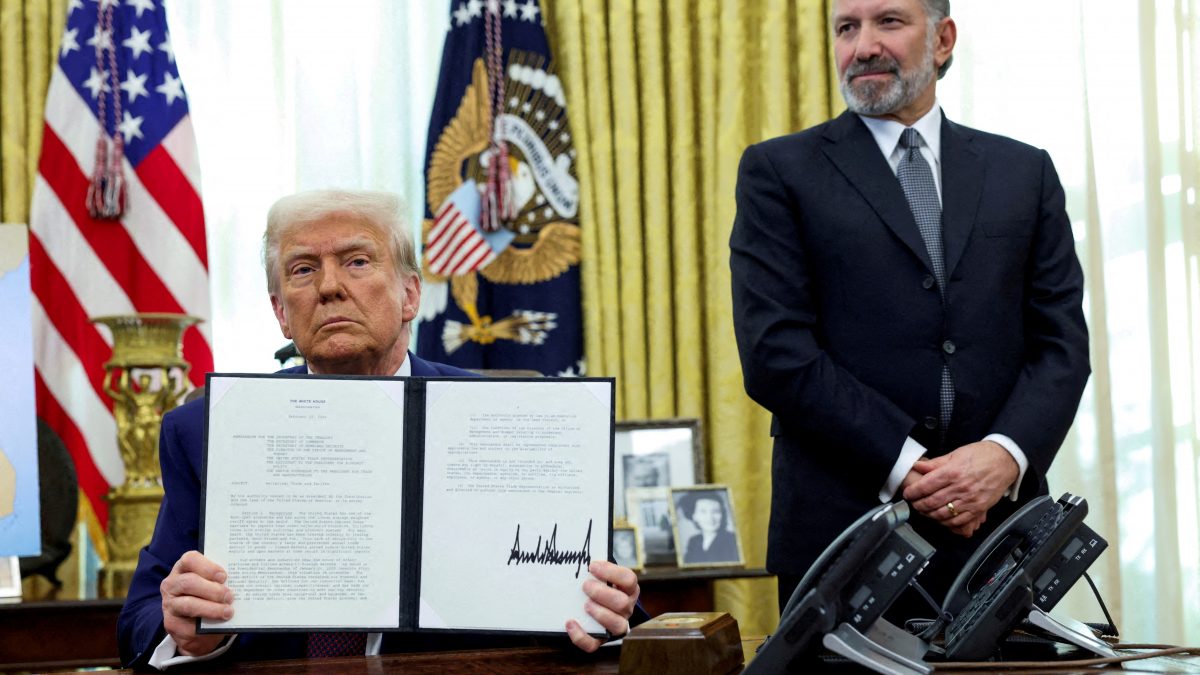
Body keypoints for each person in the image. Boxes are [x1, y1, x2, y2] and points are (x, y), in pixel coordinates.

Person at [117, 190, 642, 668]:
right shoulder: (205, 430)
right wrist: (186, 630)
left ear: (410, 294)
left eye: (357, 261)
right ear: (281, 313)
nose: (329, 287)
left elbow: (608, 606)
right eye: (302, 270)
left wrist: (607, 612)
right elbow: (139, 619)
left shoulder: (516, 418)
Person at [729, 0, 1090, 616]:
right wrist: (911, 468)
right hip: (843, 538)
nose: (863, 45)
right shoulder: (778, 171)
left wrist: (1004, 456)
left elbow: (1061, 346)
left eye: (888, 22)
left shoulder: (1024, 172)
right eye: (847, 28)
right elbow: (775, 353)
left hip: (1001, 536)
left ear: (943, 39)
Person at [677, 491, 740, 565]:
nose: (710, 518)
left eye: (716, 512)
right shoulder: (694, 541)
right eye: (703, 512)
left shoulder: (732, 540)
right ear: (694, 516)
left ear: (722, 515)